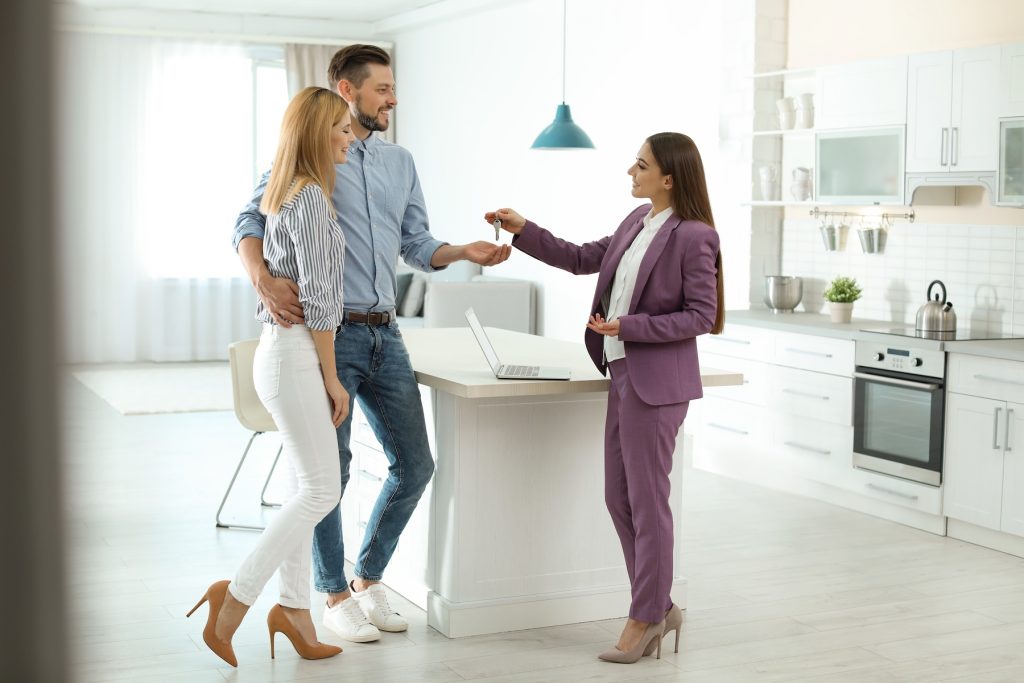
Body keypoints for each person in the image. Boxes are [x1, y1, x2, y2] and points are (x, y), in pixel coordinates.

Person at [232, 44, 511, 643]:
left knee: (416, 465)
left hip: (386, 333)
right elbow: (249, 220)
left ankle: (368, 577)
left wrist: (461, 251)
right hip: (322, 338)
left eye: (393, 88)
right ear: (345, 89)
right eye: (382, 88)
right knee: (328, 473)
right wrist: (260, 275)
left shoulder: (400, 163)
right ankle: (332, 594)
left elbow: (417, 245)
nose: (393, 99)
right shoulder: (311, 157)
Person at [484, 132, 724, 664]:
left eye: (641, 165)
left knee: (646, 501)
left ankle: (645, 616)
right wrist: (524, 230)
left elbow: (699, 317)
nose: (630, 172)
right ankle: (659, 605)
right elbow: (577, 257)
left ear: (669, 177)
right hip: (623, 375)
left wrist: (628, 326)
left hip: (657, 385)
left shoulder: (694, 236)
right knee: (619, 498)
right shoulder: (635, 224)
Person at [189, 86, 356, 667]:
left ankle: (295, 613)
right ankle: (233, 599)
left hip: (283, 352)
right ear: (316, 132)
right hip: (294, 355)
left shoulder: (290, 195)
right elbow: (322, 298)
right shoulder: (308, 199)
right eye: (340, 126)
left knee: (300, 486)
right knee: (321, 490)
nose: (349, 135)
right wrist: (333, 378)